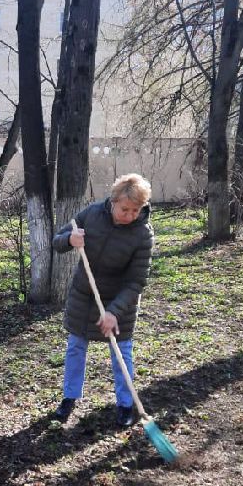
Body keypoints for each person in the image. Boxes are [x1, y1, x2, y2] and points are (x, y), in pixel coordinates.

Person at [52, 173, 154, 428]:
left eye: (135, 210)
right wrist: (69, 240)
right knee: (76, 347)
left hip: (120, 302)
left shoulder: (142, 234)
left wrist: (114, 312)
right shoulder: (92, 214)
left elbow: (136, 282)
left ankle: (125, 404)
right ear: (113, 201)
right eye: (125, 209)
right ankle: (69, 398)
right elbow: (58, 241)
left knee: (122, 353)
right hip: (84, 296)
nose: (129, 215)